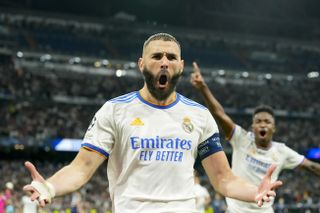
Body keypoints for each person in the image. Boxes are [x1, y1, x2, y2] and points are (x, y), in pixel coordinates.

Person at [23, 33, 282, 213]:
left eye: (171, 57)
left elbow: (223, 179)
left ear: (180, 66)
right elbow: (81, 168)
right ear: (141, 64)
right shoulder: (115, 110)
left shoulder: (200, 115)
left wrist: (254, 191)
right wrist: (50, 186)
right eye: (157, 56)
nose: (164, 62)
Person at [190, 62, 320, 213]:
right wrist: (203, 88)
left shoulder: (282, 151)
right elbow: (220, 114)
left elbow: (312, 166)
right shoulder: (241, 139)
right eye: (258, 121)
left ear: (274, 128)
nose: (263, 125)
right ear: (252, 127)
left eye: (267, 122)